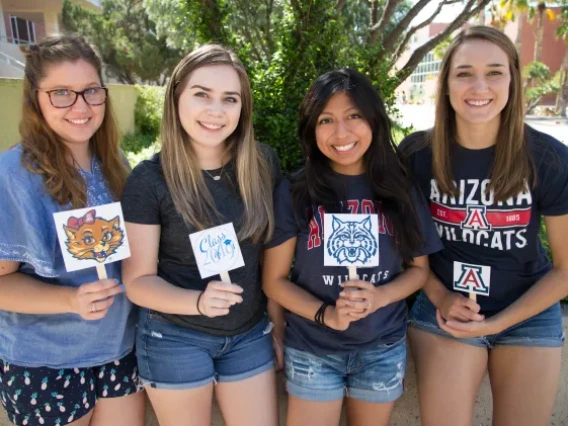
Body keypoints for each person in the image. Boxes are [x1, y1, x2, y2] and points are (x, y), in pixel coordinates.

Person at [400, 25, 568, 426]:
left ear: (512, 78)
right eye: (464, 73)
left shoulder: (548, 158)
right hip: (445, 307)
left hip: (528, 309)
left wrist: (498, 322)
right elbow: (406, 254)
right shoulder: (417, 155)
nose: (480, 85)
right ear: (446, 85)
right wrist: (441, 299)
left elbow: (565, 270)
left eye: (494, 72)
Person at [262, 68, 442, 426]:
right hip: (312, 348)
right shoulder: (296, 191)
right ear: (311, 130)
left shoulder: (400, 189)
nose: (340, 133)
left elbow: (419, 271)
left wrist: (379, 296)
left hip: (382, 347)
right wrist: (325, 314)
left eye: (353, 116)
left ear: (374, 120)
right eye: (326, 120)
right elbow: (274, 281)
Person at [121, 44, 280, 426]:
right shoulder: (149, 180)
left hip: (248, 334)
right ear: (176, 97)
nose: (216, 111)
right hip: (174, 335)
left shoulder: (262, 164)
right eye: (201, 95)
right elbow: (138, 283)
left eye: (230, 99)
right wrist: (198, 301)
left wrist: (279, 327)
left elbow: (272, 260)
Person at [0, 34, 144, 426]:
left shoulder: (114, 163)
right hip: (45, 361)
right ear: (35, 99)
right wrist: (70, 301)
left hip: (118, 351)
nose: (80, 106)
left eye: (91, 91)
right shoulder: (12, 175)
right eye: (61, 93)